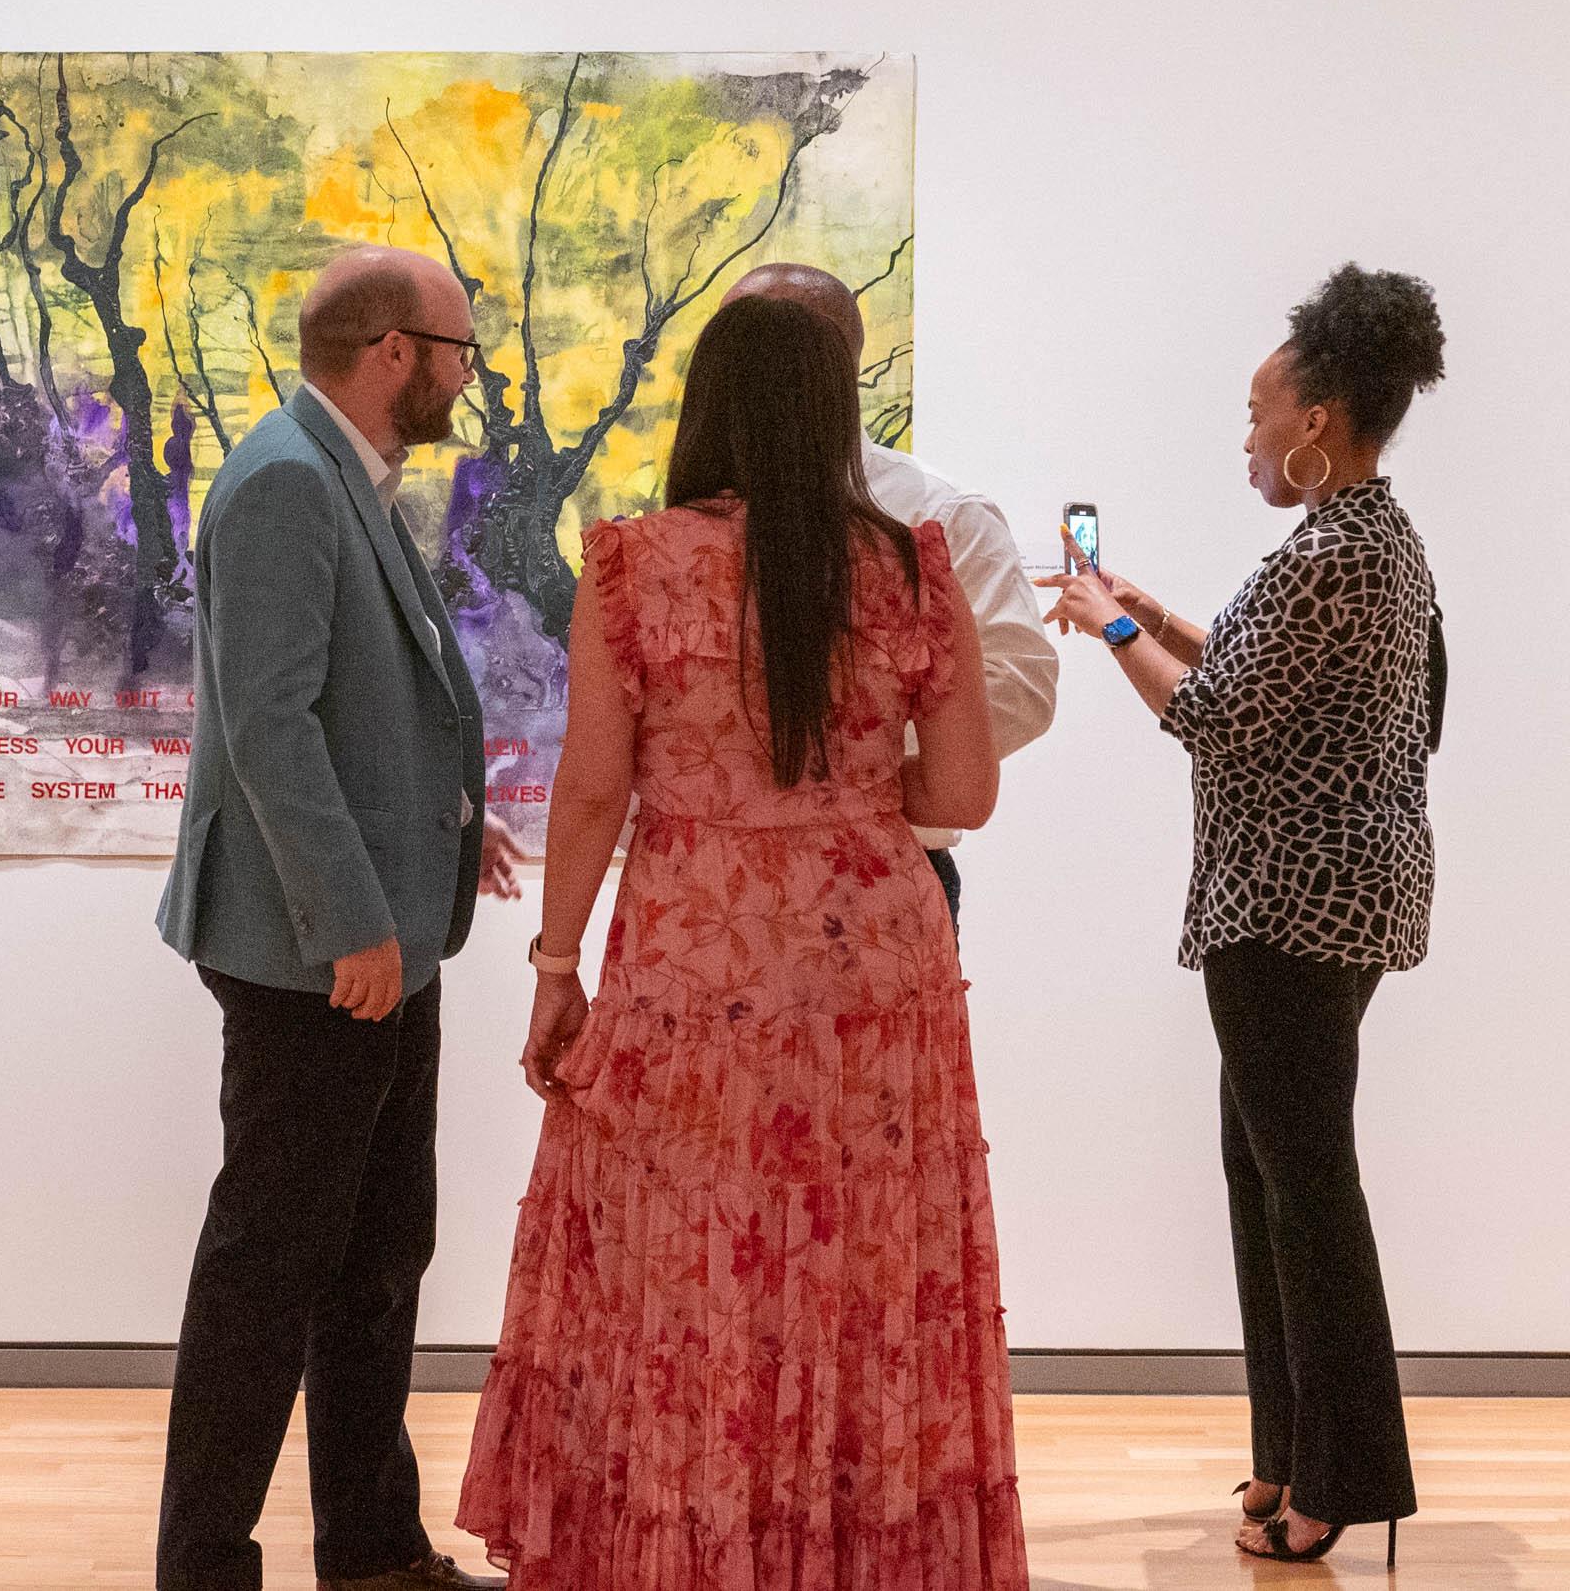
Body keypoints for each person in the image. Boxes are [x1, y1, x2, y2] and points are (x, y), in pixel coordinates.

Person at [460, 295, 1026, 1589]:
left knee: (695, 1275)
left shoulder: (632, 565)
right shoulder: (911, 566)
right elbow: (963, 799)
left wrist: (556, 973)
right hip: (878, 978)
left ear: (702, 407)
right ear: (836, 417)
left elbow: (595, 789)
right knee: (861, 1275)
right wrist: (841, 809)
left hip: (692, 971)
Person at [1036, 264, 1443, 1568]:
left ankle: (1340, 1481)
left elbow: (1211, 723)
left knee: (1307, 1189)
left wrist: (1106, 631)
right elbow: (1274, 685)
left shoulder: (1330, 551)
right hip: (1338, 902)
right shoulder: (1372, 538)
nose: (1249, 436)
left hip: (1291, 909)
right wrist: (1157, 617)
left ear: (1317, 421)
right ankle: (1286, 1459)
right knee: (1271, 1172)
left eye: (1259, 412)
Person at [153, 245, 517, 1591]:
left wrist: (448, 831)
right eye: (459, 350)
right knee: (268, 1271)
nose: (468, 376)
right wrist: (354, 921)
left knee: (373, 1258)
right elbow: (268, 729)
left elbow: (357, 709)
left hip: (377, 936)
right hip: (321, 955)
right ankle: (203, 1567)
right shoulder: (288, 484)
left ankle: (370, 1547)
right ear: (395, 354)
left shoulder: (338, 475)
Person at [722, 262, 1057, 921]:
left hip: (885, 880)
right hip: (720, 885)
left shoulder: (944, 514)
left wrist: (843, 762)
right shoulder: (692, 521)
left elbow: (1022, 684)